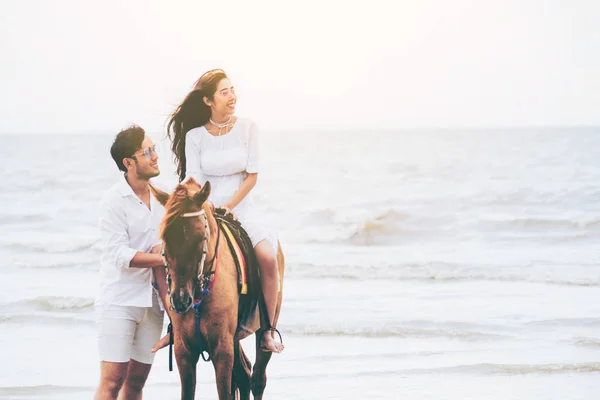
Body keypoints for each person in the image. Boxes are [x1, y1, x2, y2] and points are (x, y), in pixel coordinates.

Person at [165, 68, 284, 353]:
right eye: (224, 92)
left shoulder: (247, 127)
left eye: (232, 90)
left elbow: (252, 176)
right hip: (206, 208)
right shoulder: (195, 137)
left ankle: (267, 330)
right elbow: (192, 177)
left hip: (242, 206)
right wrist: (193, 204)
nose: (232, 96)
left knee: (268, 258)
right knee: (172, 252)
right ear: (208, 100)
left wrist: (229, 206)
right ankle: (175, 326)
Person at [94, 125, 171, 400]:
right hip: (120, 300)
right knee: (112, 382)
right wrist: (163, 257)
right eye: (146, 151)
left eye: (154, 149)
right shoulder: (113, 201)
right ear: (129, 163)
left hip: (153, 304)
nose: (154, 156)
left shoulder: (164, 200)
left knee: (136, 383)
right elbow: (119, 255)